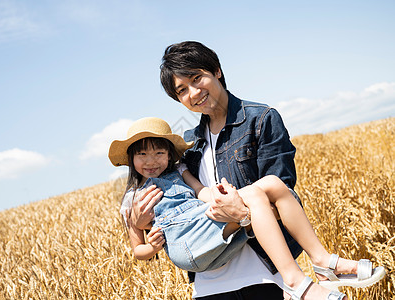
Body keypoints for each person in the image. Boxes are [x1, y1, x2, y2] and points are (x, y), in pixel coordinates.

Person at [129, 41, 384, 299]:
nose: (193, 93)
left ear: (216, 70)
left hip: (264, 274)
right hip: (210, 281)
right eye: (182, 90)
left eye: (197, 78)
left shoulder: (261, 120)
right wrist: (140, 224)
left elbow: (284, 199)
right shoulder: (188, 144)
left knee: (273, 184)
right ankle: (324, 264)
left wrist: (243, 216)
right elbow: (173, 219)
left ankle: (321, 264)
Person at [109, 117, 385, 300]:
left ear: (170, 155)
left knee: (274, 185)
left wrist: (226, 197)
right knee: (254, 194)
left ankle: (323, 263)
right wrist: (152, 247)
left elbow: (203, 193)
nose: (151, 160)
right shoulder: (132, 199)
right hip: (187, 245)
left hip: (206, 229)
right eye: (141, 154)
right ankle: (297, 282)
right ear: (131, 159)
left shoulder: (181, 173)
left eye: (158, 152)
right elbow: (138, 250)